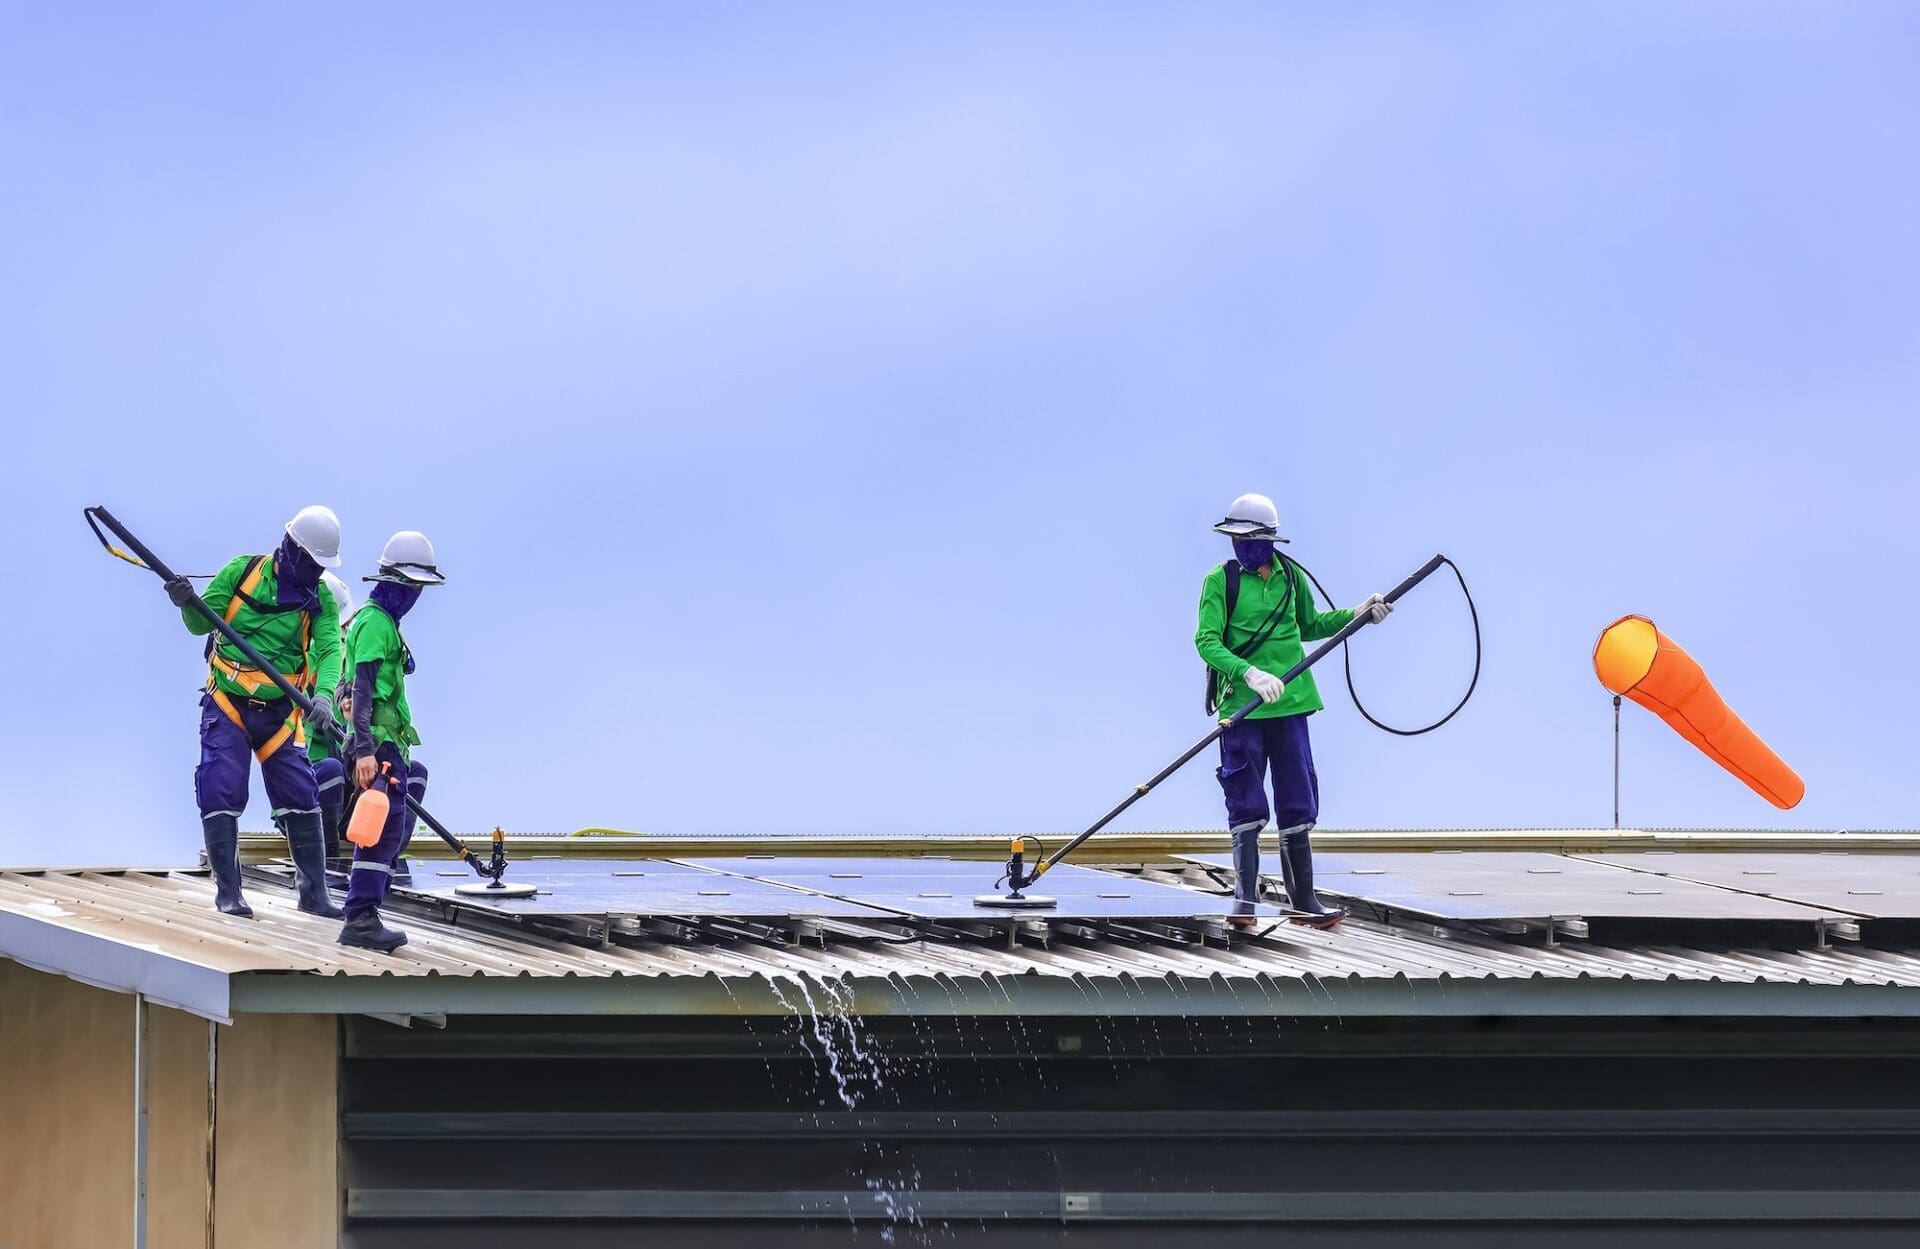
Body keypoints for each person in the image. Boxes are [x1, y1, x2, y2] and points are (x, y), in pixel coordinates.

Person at [1193, 493, 1391, 928]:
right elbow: (1207, 641)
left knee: (1297, 795)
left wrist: (1356, 615)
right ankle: (1245, 900)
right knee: (1245, 797)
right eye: (1234, 538)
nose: (1241, 547)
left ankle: (1303, 900)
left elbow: (1312, 624)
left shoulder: (1290, 576)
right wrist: (1248, 674)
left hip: (1292, 701)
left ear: (1270, 539)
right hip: (1244, 705)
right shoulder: (1220, 581)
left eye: (1249, 539)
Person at [168, 506, 347, 919]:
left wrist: (322, 695)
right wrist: (185, 603)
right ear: (292, 551)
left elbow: (330, 648)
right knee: (221, 786)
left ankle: (314, 894)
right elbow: (199, 623)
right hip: (228, 701)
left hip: (280, 712)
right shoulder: (241, 573)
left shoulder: (318, 599)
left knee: (301, 794)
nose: (318, 574)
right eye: (313, 564)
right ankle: (229, 894)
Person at [338, 531, 445, 952]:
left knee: (388, 828)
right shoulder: (375, 624)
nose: (415, 595)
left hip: (388, 745)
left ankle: (366, 914)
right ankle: (360, 917)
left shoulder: (383, 625)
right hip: (378, 746)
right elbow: (361, 688)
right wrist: (364, 749)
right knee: (379, 832)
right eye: (412, 586)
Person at [305, 571, 357, 859]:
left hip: (339, 784)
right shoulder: (317, 652)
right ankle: (329, 859)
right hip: (312, 779)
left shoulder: (347, 654)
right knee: (329, 770)